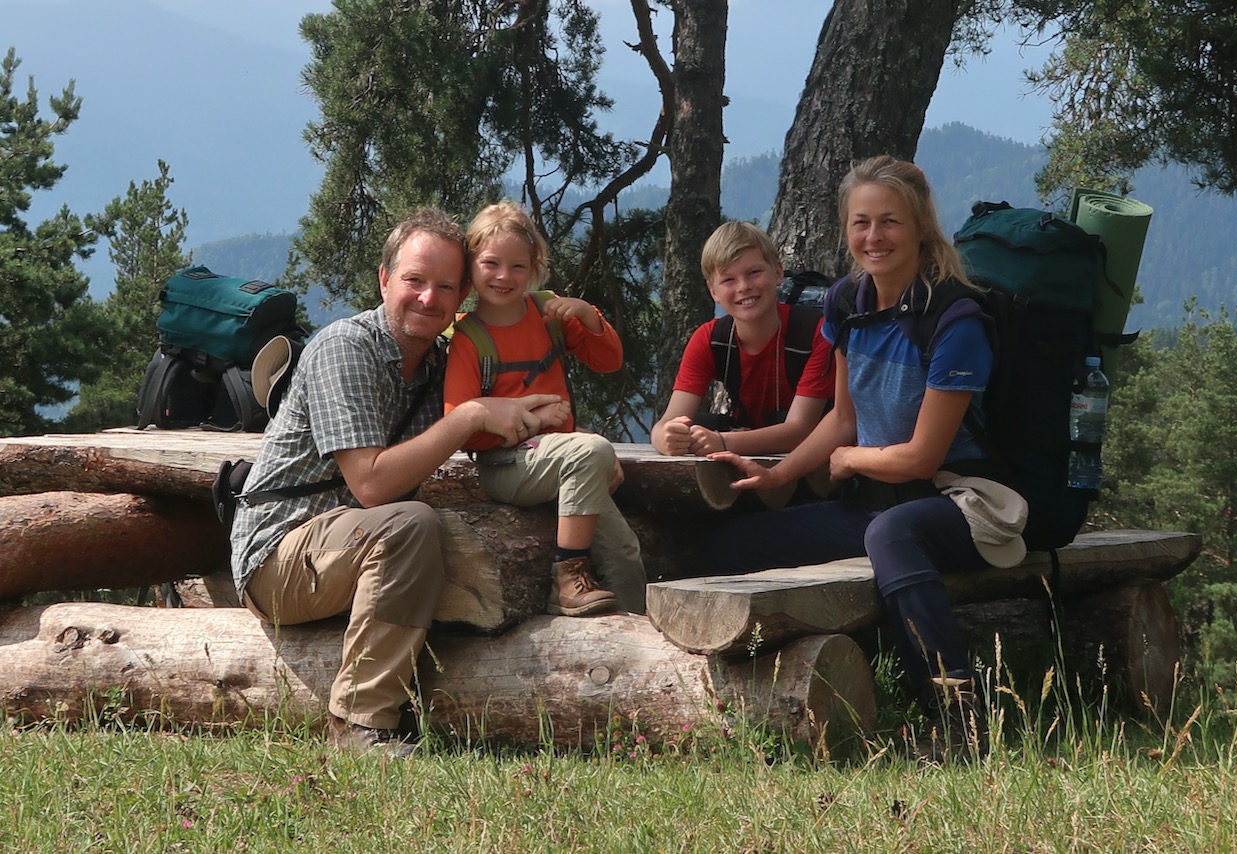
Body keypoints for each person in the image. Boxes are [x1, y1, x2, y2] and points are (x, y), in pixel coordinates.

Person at [702, 156, 1027, 761]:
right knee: (727, 547)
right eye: (861, 223)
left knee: (893, 534)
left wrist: (851, 461)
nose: (874, 237)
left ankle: (959, 719)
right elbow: (841, 419)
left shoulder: (955, 319)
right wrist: (777, 474)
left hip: (960, 500)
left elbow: (921, 458)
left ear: (921, 226)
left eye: (889, 222)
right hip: (880, 504)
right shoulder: (848, 303)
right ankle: (733, 707)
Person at [230, 207, 567, 758]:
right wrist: (470, 416)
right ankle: (359, 725)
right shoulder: (345, 348)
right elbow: (371, 486)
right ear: (384, 279)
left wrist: (561, 436)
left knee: (430, 530)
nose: (428, 298)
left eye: (445, 287)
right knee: (410, 524)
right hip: (277, 554)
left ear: (462, 296)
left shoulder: (441, 363)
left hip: (345, 548)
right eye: (414, 280)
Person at [443, 200, 647, 616]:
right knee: (591, 450)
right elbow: (460, 427)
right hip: (505, 467)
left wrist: (588, 316)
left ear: (534, 267)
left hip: (562, 460)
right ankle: (568, 576)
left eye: (517, 266)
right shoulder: (468, 338)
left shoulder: (548, 314)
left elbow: (609, 361)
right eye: (491, 263)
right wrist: (532, 421)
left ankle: (634, 633)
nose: (504, 276)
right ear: (471, 266)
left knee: (624, 553)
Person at [650, 221, 835, 457]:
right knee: (698, 425)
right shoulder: (710, 339)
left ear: (778, 273)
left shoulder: (817, 333)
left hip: (817, 461)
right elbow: (667, 422)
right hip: (749, 442)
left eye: (754, 273)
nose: (744, 287)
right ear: (713, 291)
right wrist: (665, 438)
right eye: (729, 280)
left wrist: (722, 442)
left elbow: (801, 430)